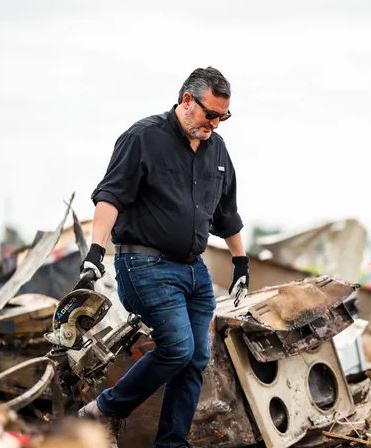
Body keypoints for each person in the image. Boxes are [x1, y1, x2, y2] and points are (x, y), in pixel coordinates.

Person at [76, 67, 249, 448]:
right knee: (177, 348)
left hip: (194, 270)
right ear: (187, 101)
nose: (215, 124)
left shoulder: (217, 150)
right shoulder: (143, 137)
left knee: (196, 358)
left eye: (223, 117)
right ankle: (103, 410)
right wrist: (95, 253)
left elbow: (226, 214)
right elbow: (110, 197)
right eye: (210, 114)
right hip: (144, 265)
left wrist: (241, 264)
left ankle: (172, 443)